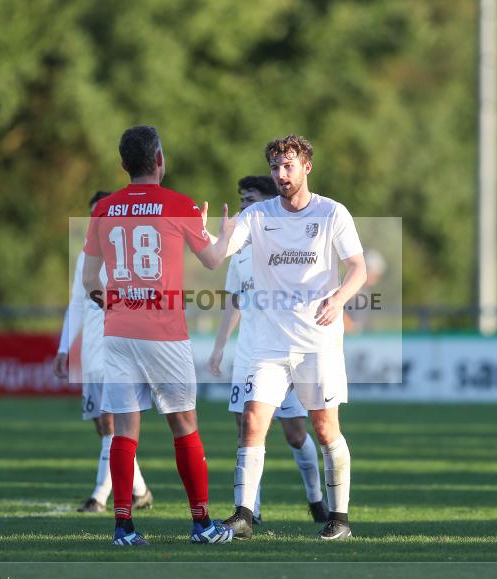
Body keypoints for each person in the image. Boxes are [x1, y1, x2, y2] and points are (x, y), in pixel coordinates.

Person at [82, 125, 236, 546]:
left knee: (124, 430)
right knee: (184, 424)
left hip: (118, 332)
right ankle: (202, 524)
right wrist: (223, 234)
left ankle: (123, 528)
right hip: (164, 333)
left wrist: (114, 307)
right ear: (160, 160)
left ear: (123, 164)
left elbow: (90, 279)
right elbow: (212, 260)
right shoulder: (180, 205)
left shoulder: (104, 208)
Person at [219, 135, 367, 541]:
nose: (281, 174)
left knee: (324, 428)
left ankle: (339, 519)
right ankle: (244, 515)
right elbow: (217, 255)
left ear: (306, 168)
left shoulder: (332, 213)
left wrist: (338, 299)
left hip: (317, 340)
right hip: (268, 343)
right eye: (275, 167)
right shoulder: (257, 215)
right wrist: (208, 237)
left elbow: (358, 268)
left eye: (288, 166)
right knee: (252, 421)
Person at [207, 175, 328, 528]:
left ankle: (316, 499)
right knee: (247, 428)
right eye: (241, 200)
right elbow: (235, 301)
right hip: (249, 353)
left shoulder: (285, 242)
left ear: (266, 204)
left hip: (285, 349)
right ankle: (250, 511)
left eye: (250, 200)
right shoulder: (240, 252)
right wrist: (219, 347)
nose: (244, 206)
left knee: (295, 433)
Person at [53, 191, 154, 514]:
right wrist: (64, 348)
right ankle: (141, 490)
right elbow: (76, 305)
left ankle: (99, 496)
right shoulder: (86, 257)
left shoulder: (131, 255)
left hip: (120, 350)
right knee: (103, 426)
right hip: (91, 355)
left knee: (112, 423)